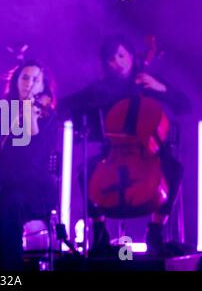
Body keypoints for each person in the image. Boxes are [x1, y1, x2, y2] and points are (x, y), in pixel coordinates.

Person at [62, 35, 192, 258]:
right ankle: (99, 232)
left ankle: (156, 231)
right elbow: (66, 104)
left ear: (132, 56)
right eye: (112, 58)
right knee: (85, 172)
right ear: (106, 63)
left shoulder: (148, 81)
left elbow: (186, 105)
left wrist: (161, 89)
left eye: (122, 55)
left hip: (151, 152)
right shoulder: (101, 88)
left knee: (174, 169)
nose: (118, 62)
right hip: (113, 152)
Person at [0, 60, 59, 271]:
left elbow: (36, 155)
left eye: (36, 80)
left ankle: (10, 272)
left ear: (43, 86)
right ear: (16, 81)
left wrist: (30, 115)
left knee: (8, 209)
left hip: (35, 189)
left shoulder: (48, 117)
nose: (29, 83)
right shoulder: (1, 113)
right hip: (2, 186)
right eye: (25, 77)